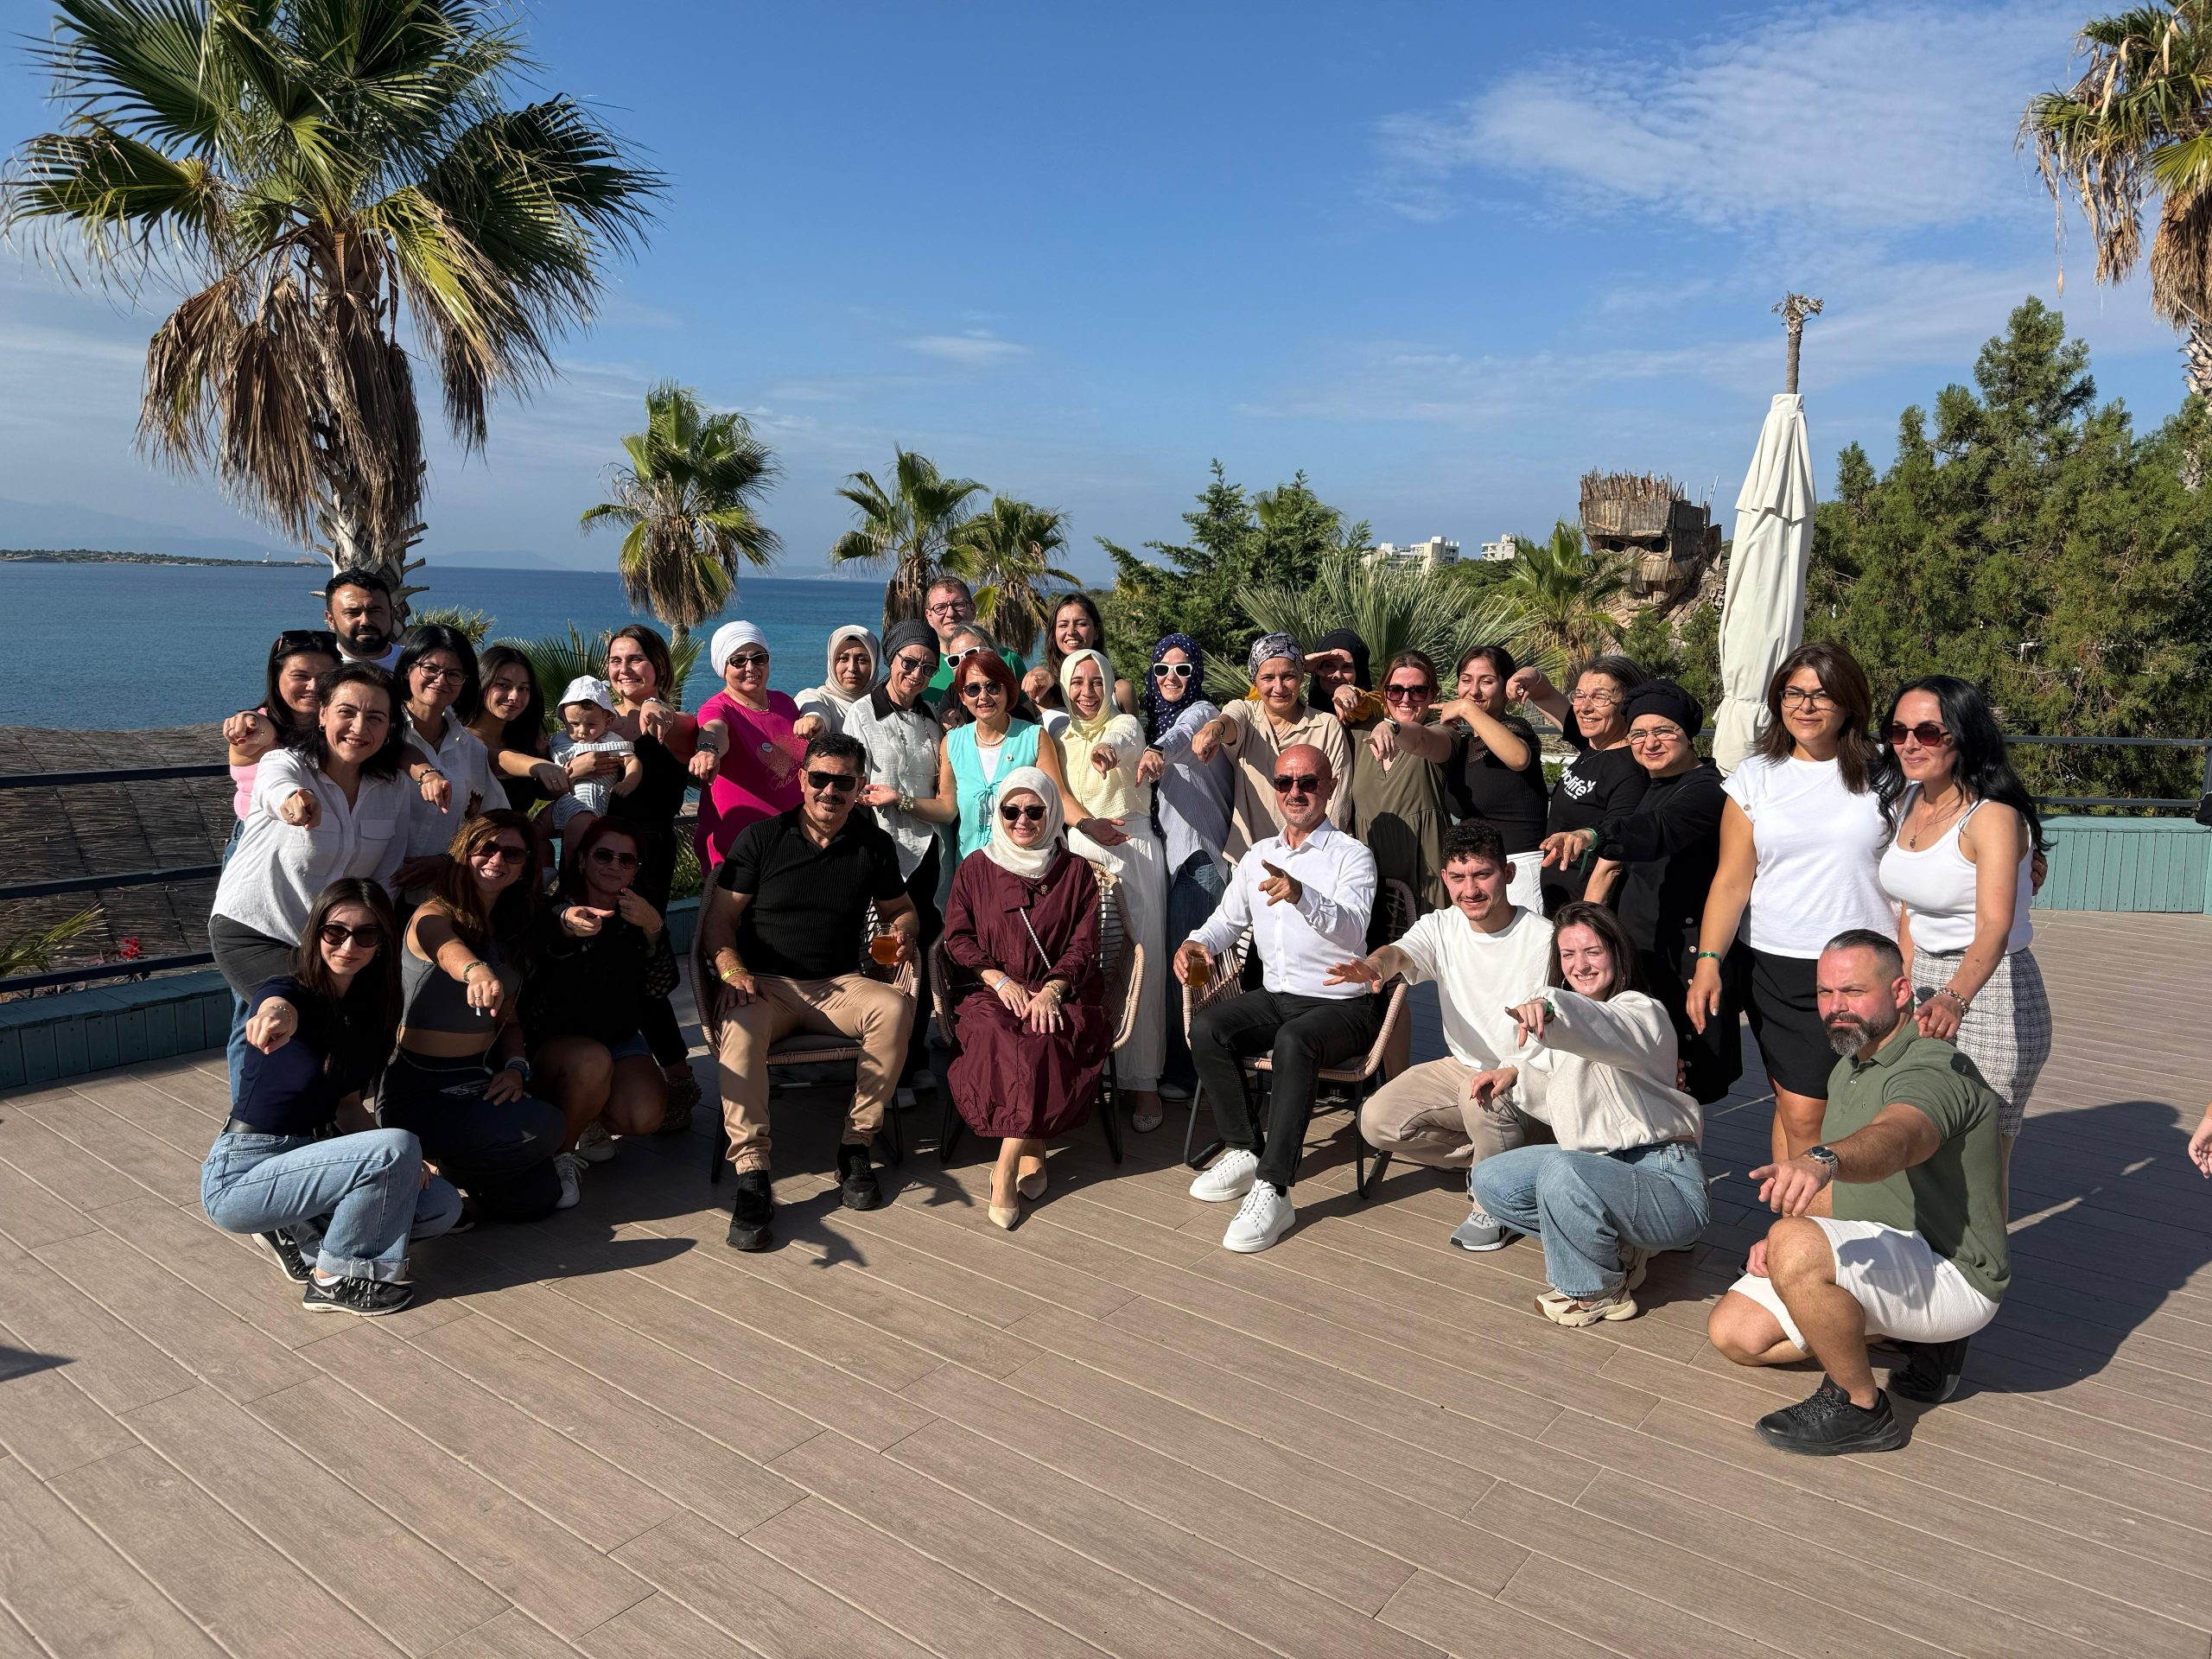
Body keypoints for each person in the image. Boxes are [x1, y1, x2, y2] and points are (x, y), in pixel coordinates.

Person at [1707, 930, 2010, 1452]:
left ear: (1900, 991)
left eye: (1852, 991)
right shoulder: (1851, 1063)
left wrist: (1823, 1162)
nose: (1835, 1007)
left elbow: (1897, 1138)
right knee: (1736, 1334)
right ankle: (1899, 1332)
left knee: (1798, 1246)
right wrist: (1784, 1241)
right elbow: (1857, 1190)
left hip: (1952, 1270)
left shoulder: (1935, 1069)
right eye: (1825, 993)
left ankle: (1861, 1406)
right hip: (1889, 1241)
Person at [698, 733, 922, 1251]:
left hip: (837, 983)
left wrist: (903, 933)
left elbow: (902, 909)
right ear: (802, 780)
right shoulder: (763, 838)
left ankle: (856, 1146)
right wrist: (731, 971)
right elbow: (719, 920)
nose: (830, 791)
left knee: (893, 1007)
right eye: (819, 778)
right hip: (765, 984)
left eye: (843, 782)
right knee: (739, 1030)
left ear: (859, 786)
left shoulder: (871, 844)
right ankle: (752, 1173)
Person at [200, 879, 461, 1317]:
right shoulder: (291, 990)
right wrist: (273, 1017)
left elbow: (347, 1108)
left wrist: (400, 1164)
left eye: (365, 934)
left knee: (441, 1205)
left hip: (314, 1160)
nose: (348, 945)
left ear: (382, 942)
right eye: (335, 932)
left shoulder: (367, 1013)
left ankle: (301, 1231)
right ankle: (333, 1279)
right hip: (244, 1173)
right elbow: (276, 1004)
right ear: (316, 933)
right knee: (398, 1145)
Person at [1448, 903, 1709, 1326]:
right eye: (1568, 955)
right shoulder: (1571, 1038)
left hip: (1666, 1180)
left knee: (1563, 1168)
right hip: (1601, 1169)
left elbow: (1600, 1026)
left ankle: (1597, 1291)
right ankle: (1615, 1248)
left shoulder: (1642, 1012)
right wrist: (1515, 1075)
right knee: (1491, 1180)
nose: (1580, 965)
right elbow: (1571, 1095)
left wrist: (1549, 1005)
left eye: (1592, 951)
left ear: (1617, 953)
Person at [1690, 642, 1892, 1163]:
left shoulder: (1888, 775)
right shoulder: (1755, 776)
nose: (1805, 706)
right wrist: (1708, 962)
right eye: (1792, 693)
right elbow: (1731, 881)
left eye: (1821, 695)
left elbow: (1954, 821)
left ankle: (1793, 1208)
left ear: (1849, 703)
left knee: (1849, 1105)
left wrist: (2025, 853)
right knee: (1803, 1109)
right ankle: (1810, 1211)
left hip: (1868, 966)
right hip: (1778, 965)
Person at [1177, 743, 1379, 1254]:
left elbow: (1354, 931)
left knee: (1294, 1041)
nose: (1295, 792)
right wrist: (1197, 943)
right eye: (1285, 782)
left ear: (1329, 788)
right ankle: (1246, 1149)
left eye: (1307, 782)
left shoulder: (1351, 855)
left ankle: (1276, 1187)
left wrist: (1302, 894)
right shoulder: (1257, 855)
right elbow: (1227, 920)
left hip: (1342, 1006)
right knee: (1209, 1028)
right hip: (1277, 996)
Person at [1876, 677, 2050, 1192]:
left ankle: (1982, 1251)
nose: (1909, 744)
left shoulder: (1991, 818)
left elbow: (1995, 925)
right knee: (1921, 1144)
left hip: (1991, 991)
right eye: (1898, 731)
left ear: (1962, 736)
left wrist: (1955, 996)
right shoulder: (1908, 802)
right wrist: (1903, 984)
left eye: (1928, 732)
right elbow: (1911, 909)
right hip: (1924, 981)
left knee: (1981, 1156)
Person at [208, 662, 416, 1096]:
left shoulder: (393, 787)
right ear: (322, 714)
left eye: (375, 717)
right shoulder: (286, 763)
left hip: (331, 942)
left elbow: (383, 879)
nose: (359, 728)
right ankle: (252, 1125)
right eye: (346, 712)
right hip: (256, 929)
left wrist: (370, 944)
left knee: (367, 1029)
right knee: (300, 1023)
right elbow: (275, 788)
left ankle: (341, 1120)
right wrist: (293, 800)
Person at [1339, 821, 1554, 1232]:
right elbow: (1399, 953)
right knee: (1376, 1120)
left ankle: (1496, 1197)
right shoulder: (1441, 925)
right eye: (1458, 877)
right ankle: (1503, 1160)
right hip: (1462, 1066)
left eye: (1482, 874)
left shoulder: (1545, 939)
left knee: (1480, 1098)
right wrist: (1374, 965)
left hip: (1525, 1074)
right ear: (1444, 878)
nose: (1469, 890)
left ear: (1508, 873)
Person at [1539, 680, 1743, 1104]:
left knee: (1684, 1085)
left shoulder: (1707, 789)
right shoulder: (1650, 784)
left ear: (1688, 734)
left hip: (1684, 957)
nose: (1650, 743)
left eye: (1663, 731)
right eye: (1638, 734)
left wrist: (1592, 835)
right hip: (1640, 954)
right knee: (1640, 1073)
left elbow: (1657, 830)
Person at [379, 810, 572, 1219]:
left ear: (524, 867)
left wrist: (516, 1067)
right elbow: (446, 947)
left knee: (538, 1196)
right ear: (463, 853)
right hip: (417, 1084)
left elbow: (510, 1021)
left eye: (512, 854)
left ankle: (444, 1173)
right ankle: (432, 1166)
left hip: (475, 1077)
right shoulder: (432, 914)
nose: (496, 860)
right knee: (547, 1127)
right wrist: (475, 971)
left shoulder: (512, 928)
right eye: (485, 848)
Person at [940, 768, 1109, 1228]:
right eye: (1011, 810)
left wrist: (1052, 990)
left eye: (1035, 811)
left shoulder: (1075, 872)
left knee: (1044, 1033)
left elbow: (1084, 945)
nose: (1022, 820)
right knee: (997, 1033)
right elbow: (957, 937)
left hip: (1060, 988)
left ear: (1051, 814)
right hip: (991, 989)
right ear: (998, 813)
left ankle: (1006, 1163)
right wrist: (999, 981)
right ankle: (1033, 1145)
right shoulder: (976, 867)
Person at [1052, 648, 1167, 1131]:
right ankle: (1093, 1073)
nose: (1087, 692)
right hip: (1081, 850)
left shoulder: (1126, 724)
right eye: (1077, 682)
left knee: (1141, 966)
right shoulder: (1057, 735)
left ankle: (1144, 1084)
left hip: (1131, 849)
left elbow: (1119, 739)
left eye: (1096, 681)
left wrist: (1106, 751)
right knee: (1088, 966)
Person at [601, 623, 705, 1119]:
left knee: (641, 964)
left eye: (635, 659)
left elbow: (689, 730)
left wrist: (657, 709)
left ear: (659, 667)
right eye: (615, 660)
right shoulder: (598, 721)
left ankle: (680, 1079)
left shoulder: (674, 724)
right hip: (597, 854)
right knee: (599, 963)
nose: (624, 669)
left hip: (647, 859)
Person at [523, 817, 671, 1166]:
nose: (614, 866)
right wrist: (566, 927)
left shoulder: (638, 913)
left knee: (643, 1116)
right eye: (603, 855)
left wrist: (654, 929)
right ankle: (560, 1157)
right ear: (581, 860)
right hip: (553, 1045)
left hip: (617, 1038)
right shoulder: (554, 908)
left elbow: (659, 988)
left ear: (635, 870)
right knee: (591, 1060)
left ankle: (587, 1115)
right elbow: (550, 936)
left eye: (626, 859)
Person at [850, 620, 956, 1102]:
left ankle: (913, 1060)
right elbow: (852, 785)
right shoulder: (861, 714)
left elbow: (941, 790)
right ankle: (883, 1070)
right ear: (891, 659)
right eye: (909, 662)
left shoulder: (932, 718)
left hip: (928, 853)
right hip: (883, 851)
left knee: (921, 955)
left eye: (928, 668)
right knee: (884, 957)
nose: (916, 674)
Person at [1137, 632, 1232, 1100]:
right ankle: (1176, 1063)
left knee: (1192, 972)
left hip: (1198, 861)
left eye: (1183, 669)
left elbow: (1182, 736)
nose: (1171, 677)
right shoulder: (1147, 720)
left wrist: (1156, 749)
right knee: (1170, 968)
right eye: (1162, 669)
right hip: (1165, 860)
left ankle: (1189, 1072)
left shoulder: (1203, 713)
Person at [1186, 635, 1352, 861]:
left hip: (1313, 860)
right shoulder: (1247, 715)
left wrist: (1315, 858)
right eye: (1267, 678)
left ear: (1301, 676)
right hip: (1250, 861)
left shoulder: (1326, 726)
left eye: (1288, 676)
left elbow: (1338, 802)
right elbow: (1229, 721)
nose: (1279, 687)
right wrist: (1214, 728)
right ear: (1255, 681)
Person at [1509, 655, 1649, 913]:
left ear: (1628, 702)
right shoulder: (1593, 745)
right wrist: (1528, 676)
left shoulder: (1631, 771)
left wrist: (1585, 923)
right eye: (1580, 695)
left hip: (1586, 914)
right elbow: (1545, 694)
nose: (1584, 707)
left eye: (1600, 697)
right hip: (1560, 906)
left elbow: (1612, 865)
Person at [934, 647, 1084, 864]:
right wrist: (902, 801)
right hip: (971, 868)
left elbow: (1058, 798)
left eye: (993, 686)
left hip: (1024, 867)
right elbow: (946, 808)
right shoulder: (952, 742)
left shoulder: (1033, 737)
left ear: (1008, 690)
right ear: (962, 697)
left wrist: (1089, 825)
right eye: (973, 689)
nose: (984, 696)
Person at [692, 620, 823, 870]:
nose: (750, 667)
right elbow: (714, 729)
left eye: (758, 658)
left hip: (792, 849)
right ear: (722, 667)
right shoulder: (718, 708)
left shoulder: (784, 703)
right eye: (738, 661)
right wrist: (708, 749)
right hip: (740, 855)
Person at [1427, 645, 1548, 911]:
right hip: (1477, 874)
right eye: (1466, 680)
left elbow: (1518, 757)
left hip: (1519, 870)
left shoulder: (1517, 728)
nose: (1474, 691)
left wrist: (1466, 709)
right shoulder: (1466, 744)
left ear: (1506, 688)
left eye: (1487, 681)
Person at [1337, 649, 1452, 925]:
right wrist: (1341, 688)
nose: (1406, 699)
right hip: (1369, 883)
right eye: (1396, 690)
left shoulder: (1444, 734)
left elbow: (1422, 739)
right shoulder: (1357, 734)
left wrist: (1393, 728)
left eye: (1418, 691)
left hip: (1426, 881)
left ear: (1433, 695)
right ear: (1383, 693)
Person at [393, 623, 498, 896]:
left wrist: (448, 861)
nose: (441, 680)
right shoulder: (380, 731)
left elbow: (490, 821)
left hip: (438, 895)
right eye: (430, 668)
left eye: (454, 674)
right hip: (376, 888)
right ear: (407, 669)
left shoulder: (472, 749)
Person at [221, 630, 340, 836]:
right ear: (277, 676)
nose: (313, 686)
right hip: (260, 840)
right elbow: (261, 731)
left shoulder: (339, 727)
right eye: (300, 676)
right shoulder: (261, 728)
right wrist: (247, 722)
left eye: (325, 678)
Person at [468, 644, 566, 817]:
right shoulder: (461, 738)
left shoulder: (525, 739)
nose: (514, 696)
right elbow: (499, 758)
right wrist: (540, 766)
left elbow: (544, 792)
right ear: (482, 683)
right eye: (503, 685)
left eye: (523, 688)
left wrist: (570, 773)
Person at [546, 675, 641, 846]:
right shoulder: (558, 740)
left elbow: (632, 761)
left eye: (591, 725)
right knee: (535, 830)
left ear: (608, 721)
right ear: (563, 719)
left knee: (576, 841)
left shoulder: (609, 741)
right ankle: (544, 861)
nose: (582, 730)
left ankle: (572, 862)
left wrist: (628, 782)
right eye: (574, 724)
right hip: (562, 801)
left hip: (589, 802)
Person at [1024, 593, 1136, 715]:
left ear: (1096, 631)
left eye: (1081, 624)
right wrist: (1041, 675)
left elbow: (1133, 727)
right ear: (1054, 634)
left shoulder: (1120, 691)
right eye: (1063, 625)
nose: (1071, 631)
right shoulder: (1043, 690)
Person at [920, 577, 1024, 709]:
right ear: (929, 616)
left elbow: (1031, 715)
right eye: (940, 608)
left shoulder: (1008, 660)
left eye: (958, 604)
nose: (950, 613)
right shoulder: (920, 670)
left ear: (973, 609)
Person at [795, 625, 882, 734]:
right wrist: (812, 718)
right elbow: (810, 704)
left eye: (862, 660)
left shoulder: (886, 705)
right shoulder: (821, 699)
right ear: (831, 662)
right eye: (843, 658)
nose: (852, 668)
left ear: (874, 665)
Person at [322, 567, 401, 671]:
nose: (365, 621)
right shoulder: (317, 670)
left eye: (375, 612)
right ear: (331, 620)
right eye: (352, 613)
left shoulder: (416, 664)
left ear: (392, 615)